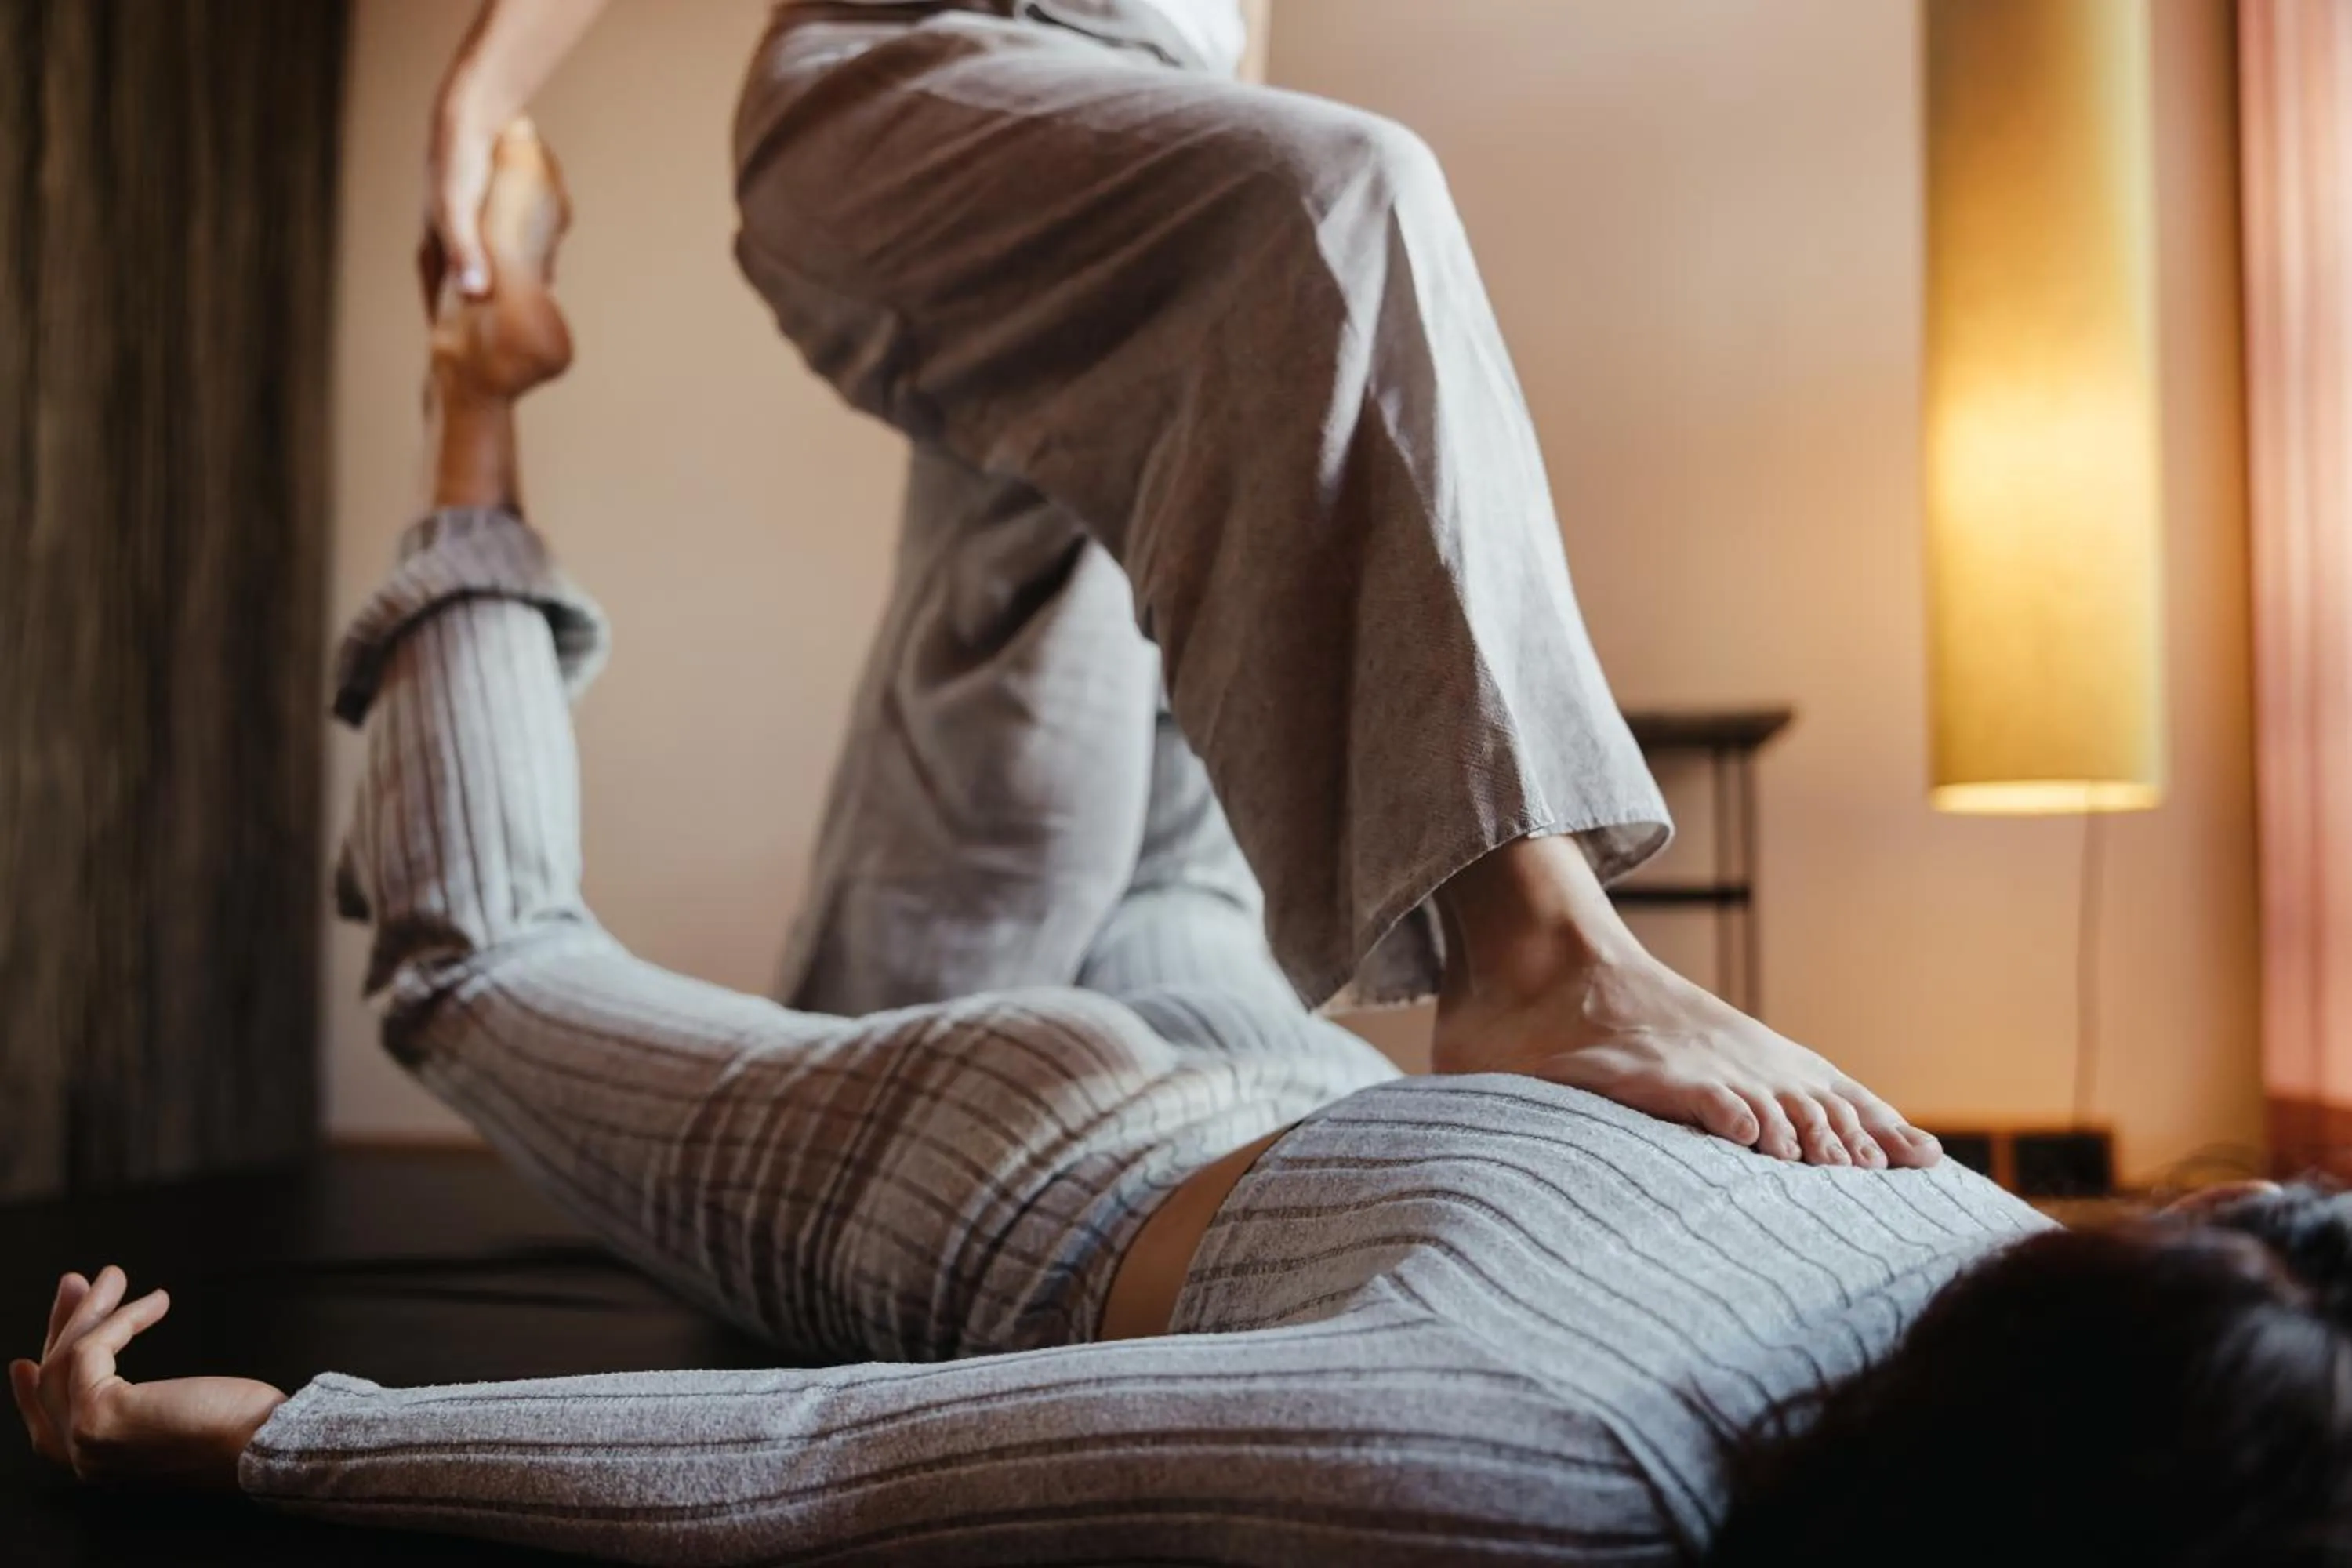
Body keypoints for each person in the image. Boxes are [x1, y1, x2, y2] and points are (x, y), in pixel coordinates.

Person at [20, 119, 2352, 1568]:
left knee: (482, 975)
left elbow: (838, 1463)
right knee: (1111, 426)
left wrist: (285, 1444)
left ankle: (478, 390)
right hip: (1271, 1026)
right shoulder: (1994, 1274)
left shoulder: (1577, 1468)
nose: (2187, 1214)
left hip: (996, 1176)